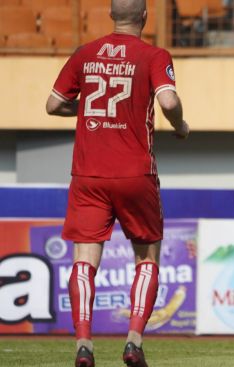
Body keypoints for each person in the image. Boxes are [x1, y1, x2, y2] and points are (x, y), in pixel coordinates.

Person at [45, 1, 189, 366]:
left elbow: (52, 104)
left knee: (84, 260)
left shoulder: (85, 53)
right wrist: (180, 125)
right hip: (135, 174)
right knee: (147, 256)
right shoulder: (154, 55)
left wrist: (87, 109)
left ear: (111, 15)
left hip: (88, 174)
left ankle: (83, 344)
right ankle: (134, 340)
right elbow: (168, 100)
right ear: (144, 16)